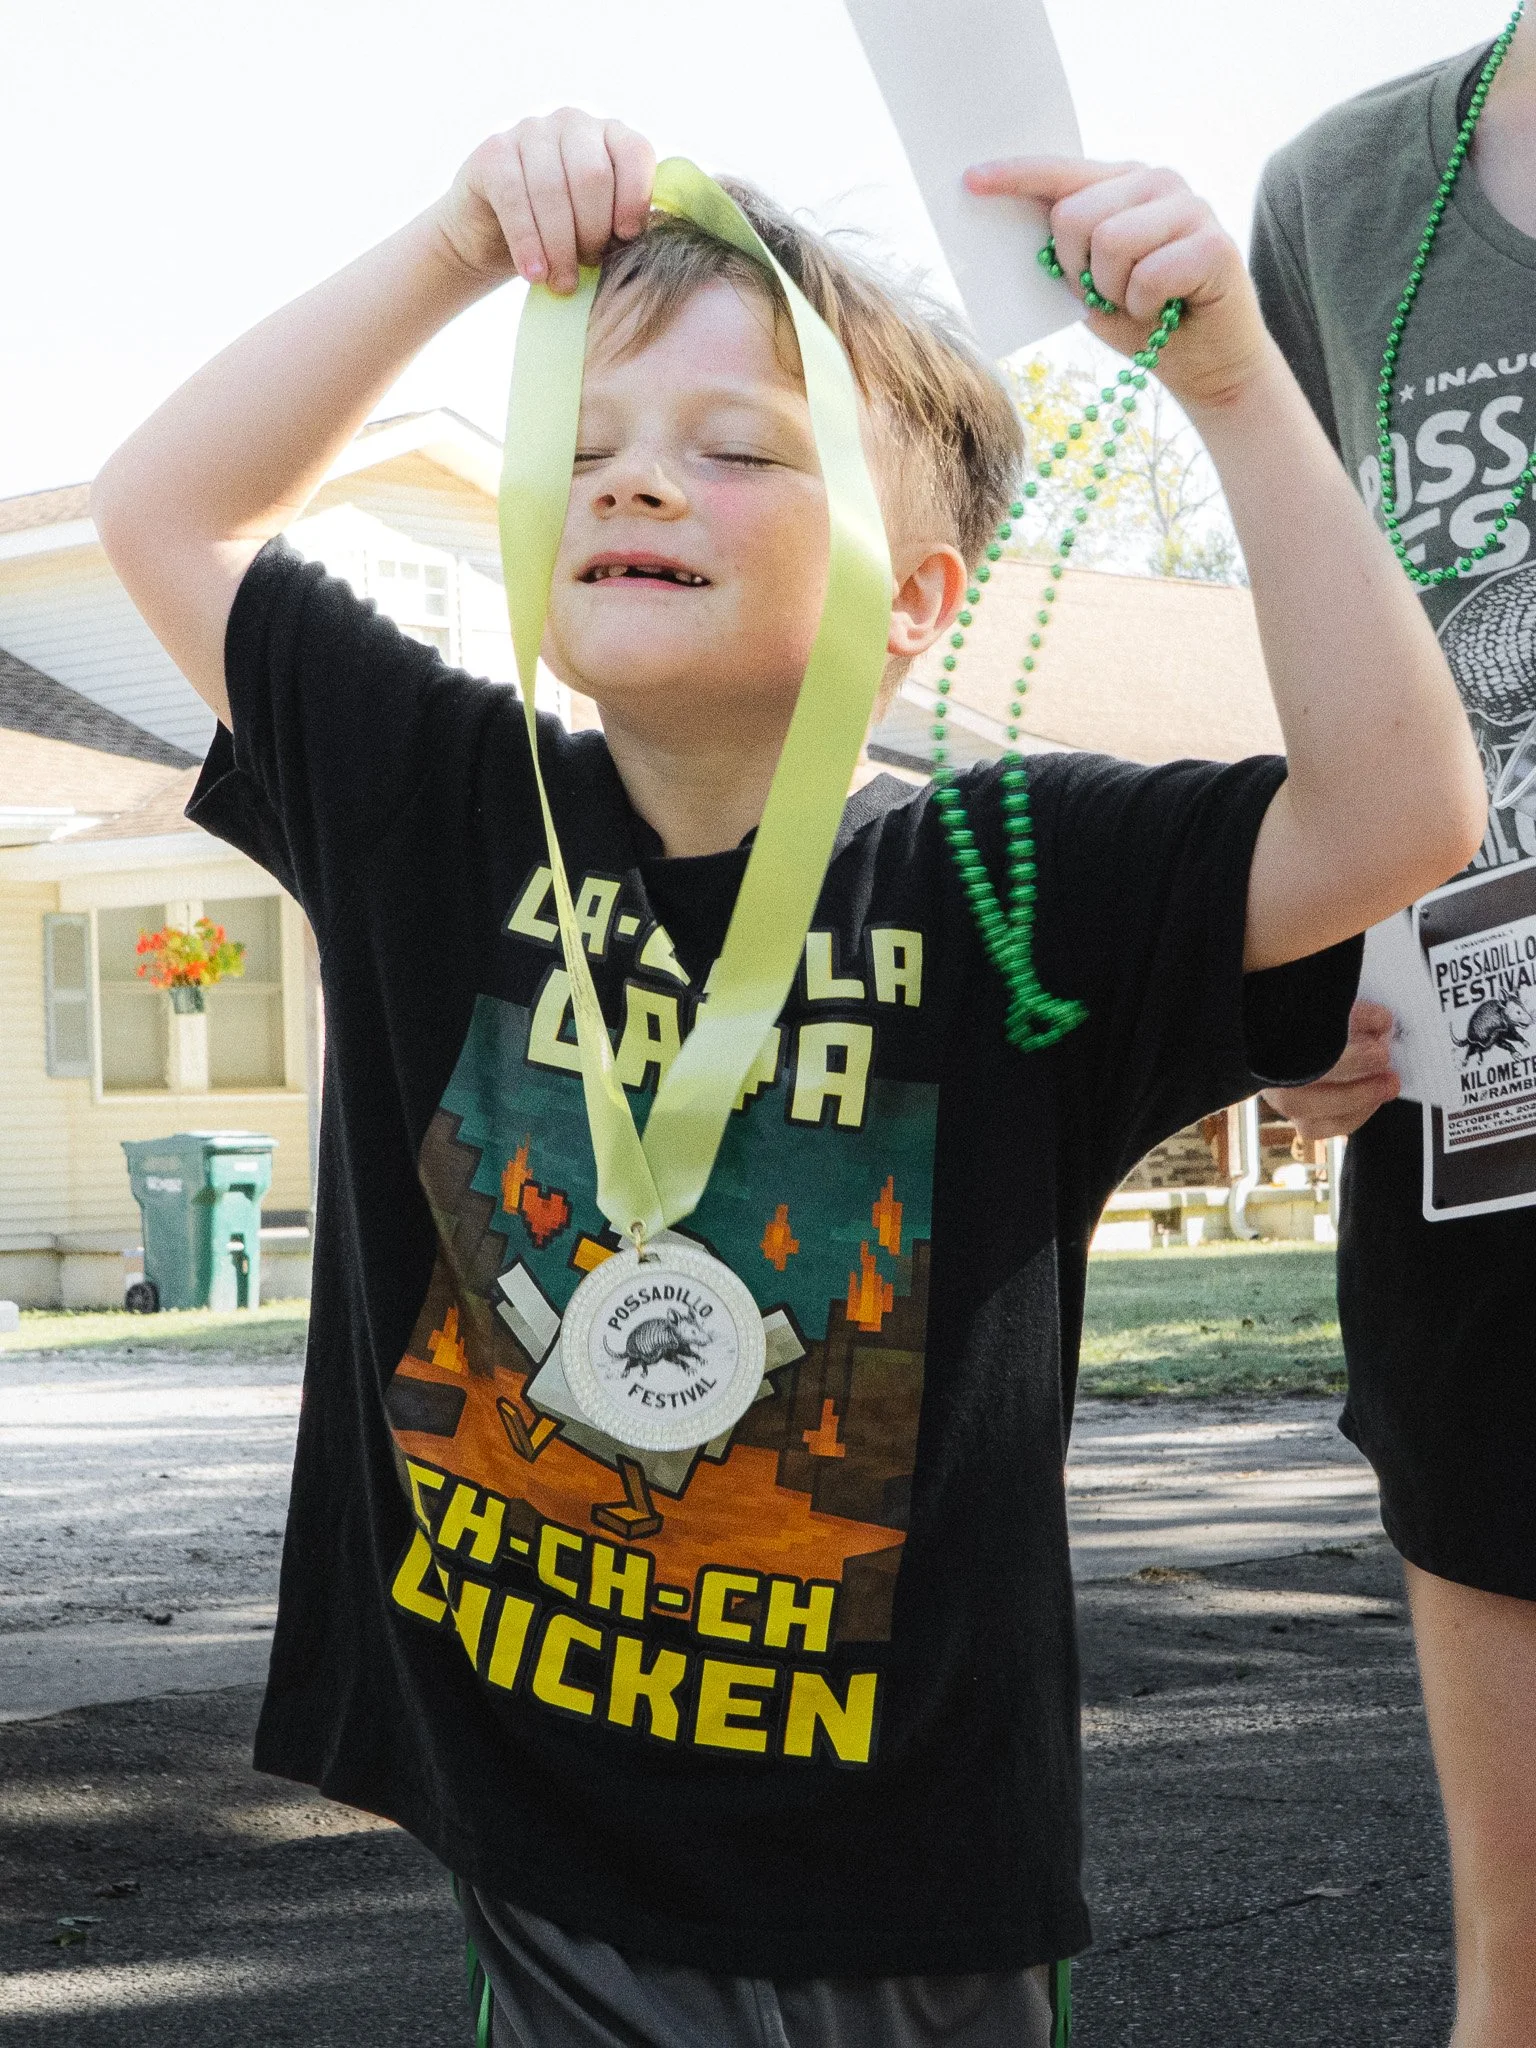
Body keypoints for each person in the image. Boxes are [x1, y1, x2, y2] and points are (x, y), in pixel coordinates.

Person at [92, 106, 1482, 2047]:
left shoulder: (1002, 886)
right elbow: (158, 511)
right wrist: (453, 247)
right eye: (582, 450)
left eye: (737, 449)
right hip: (549, 1889)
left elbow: (1404, 811)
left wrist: (1237, 387)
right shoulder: (444, 807)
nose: (636, 482)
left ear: (910, 605)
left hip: (904, 1920)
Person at [1251, 16, 1536, 2043]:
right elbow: (1334, 695)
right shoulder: (1344, 198)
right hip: (1480, 1153)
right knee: (1513, 1983)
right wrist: (1297, 975)